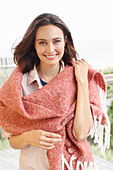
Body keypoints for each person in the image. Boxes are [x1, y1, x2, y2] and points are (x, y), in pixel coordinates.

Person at [0, 13, 110, 170]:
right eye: (42, 43)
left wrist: (82, 82)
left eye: (56, 41)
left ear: (65, 41)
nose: (50, 49)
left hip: (72, 165)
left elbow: (80, 133)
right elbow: (12, 141)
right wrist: (28, 137)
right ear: (34, 45)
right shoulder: (19, 85)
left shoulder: (78, 78)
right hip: (33, 166)